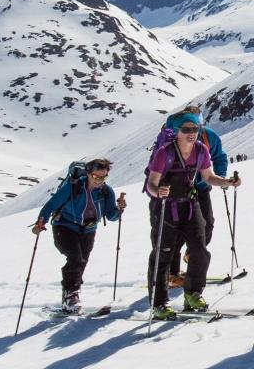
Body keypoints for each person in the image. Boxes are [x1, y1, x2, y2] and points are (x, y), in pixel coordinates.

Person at [146, 112, 242, 321]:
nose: (191, 134)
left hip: (190, 204)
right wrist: (158, 191)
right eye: (186, 130)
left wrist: (227, 182)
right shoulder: (165, 152)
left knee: (200, 250)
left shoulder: (201, 150)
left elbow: (208, 177)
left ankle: (193, 293)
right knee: (162, 254)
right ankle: (159, 303)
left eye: (195, 129)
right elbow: (151, 183)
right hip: (165, 207)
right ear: (177, 131)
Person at [32, 159, 126, 312]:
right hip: (64, 226)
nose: (100, 181)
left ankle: (70, 295)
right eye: (97, 177)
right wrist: (41, 221)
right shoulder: (72, 187)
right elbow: (51, 205)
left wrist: (119, 209)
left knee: (82, 262)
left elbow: (111, 216)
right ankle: (71, 296)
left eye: (104, 177)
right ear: (88, 174)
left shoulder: (106, 191)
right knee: (76, 258)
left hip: (88, 230)